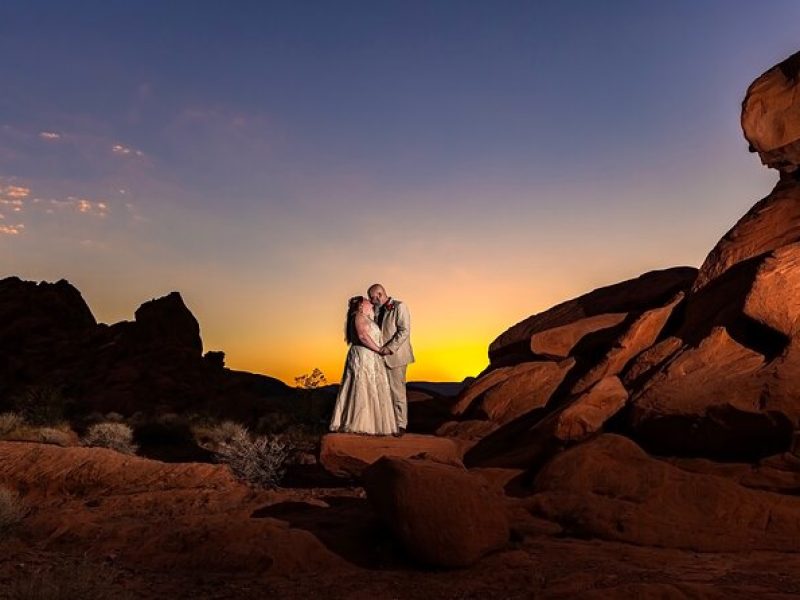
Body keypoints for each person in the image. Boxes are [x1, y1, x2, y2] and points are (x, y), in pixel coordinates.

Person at [329, 296, 399, 435]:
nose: (371, 303)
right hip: (363, 355)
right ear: (361, 305)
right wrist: (379, 349)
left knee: (371, 387)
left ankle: (372, 425)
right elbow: (362, 336)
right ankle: (359, 424)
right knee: (362, 386)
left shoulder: (366, 318)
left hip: (370, 356)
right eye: (368, 301)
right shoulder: (358, 316)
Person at [368, 283, 414, 437]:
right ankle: (387, 423)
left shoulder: (400, 307)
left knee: (397, 391)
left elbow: (404, 330)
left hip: (396, 356)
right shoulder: (376, 310)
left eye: (373, 298)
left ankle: (401, 425)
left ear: (380, 294)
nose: (371, 301)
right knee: (383, 392)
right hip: (379, 358)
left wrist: (389, 348)